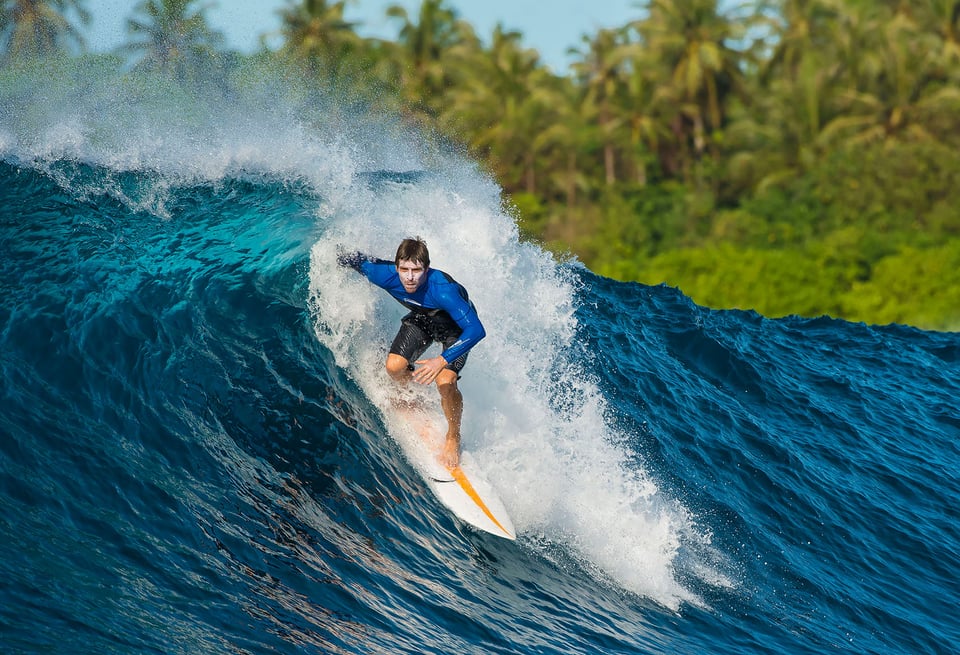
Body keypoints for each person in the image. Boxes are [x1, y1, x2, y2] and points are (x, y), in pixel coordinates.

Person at [337, 237, 486, 468]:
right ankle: (413, 397)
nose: (409, 277)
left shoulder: (443, 291)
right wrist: (332, 254)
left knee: (445, 381)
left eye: (416, 270)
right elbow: (355, 260)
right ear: (396, 267)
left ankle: (453, 437)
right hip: (422, 319)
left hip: (456, 329)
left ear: (426, 269)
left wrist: (441, 360)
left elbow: (476, 329)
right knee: (394, 367)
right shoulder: (383, 275)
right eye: (404, 269)